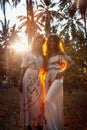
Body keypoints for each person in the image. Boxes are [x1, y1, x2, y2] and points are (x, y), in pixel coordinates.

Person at [43, 33, 74, 130]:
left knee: (48, 100)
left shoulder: (61, 53)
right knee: (52, 101)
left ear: (57, 42)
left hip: (58, 76)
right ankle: (51, 124)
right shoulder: (47, 55)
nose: (51, 42)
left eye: (53, 40)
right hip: (48, 77)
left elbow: (72, 62)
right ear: (48, 42)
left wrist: (63, 72)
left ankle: (53, 128)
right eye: (50, 40)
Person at [18, 34, 45, 130]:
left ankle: (38, 123)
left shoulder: (43, 55)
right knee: (29, 100)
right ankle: (28, 124)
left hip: (38, 78)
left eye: (41, 41)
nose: (39, 42)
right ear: (34, 41)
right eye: (37, 40)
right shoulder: (27, 53)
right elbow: (23, 68)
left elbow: (45, 68)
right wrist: (20, 81)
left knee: (38, 100)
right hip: (28, 77)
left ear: (42, 43)